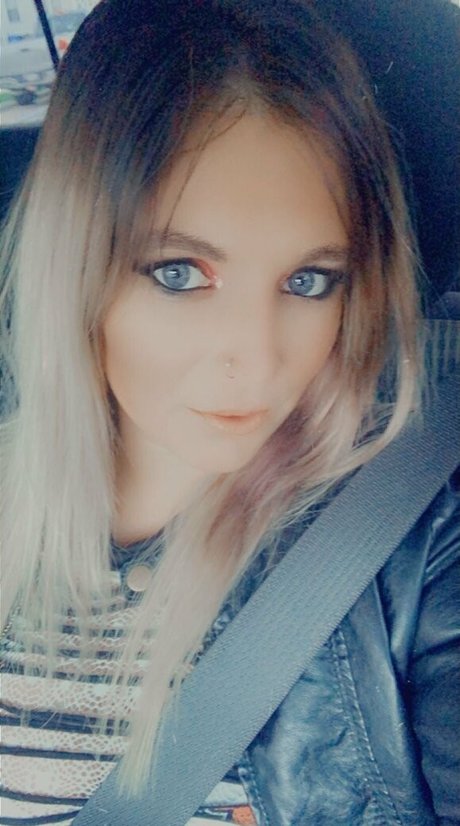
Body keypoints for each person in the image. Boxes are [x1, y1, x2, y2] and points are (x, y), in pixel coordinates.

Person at [0, 0, 458, 823]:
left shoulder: (417, 545)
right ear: (75, 266)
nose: (258, 358)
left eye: (309, 281)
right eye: (179, 272)